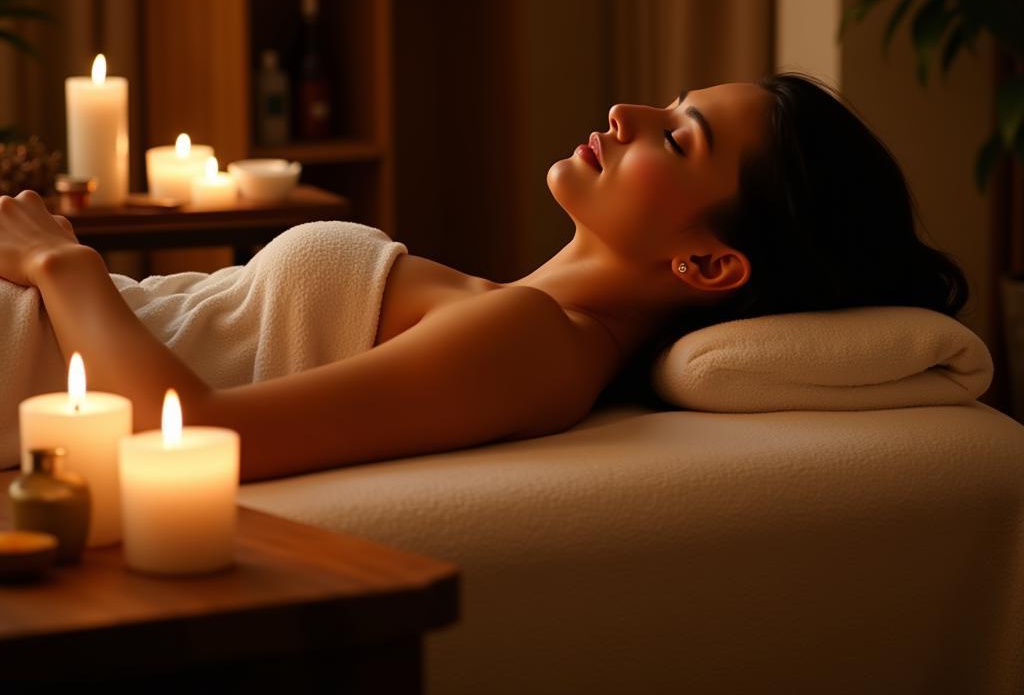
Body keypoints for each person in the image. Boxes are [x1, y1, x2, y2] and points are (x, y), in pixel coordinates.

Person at [0, 72, 967, 483]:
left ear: (709, 263)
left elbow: (205, 439)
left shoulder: (541, 344)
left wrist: (65, 262)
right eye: (668, 103)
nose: (626, 111)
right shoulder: (521, 314)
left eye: (677, 137)